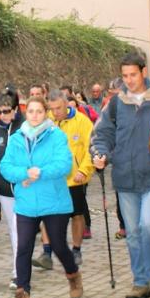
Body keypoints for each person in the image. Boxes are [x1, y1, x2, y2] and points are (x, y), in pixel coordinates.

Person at [91, 52, 150, 298]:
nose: (129, 80)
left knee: (149, 226)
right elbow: (102, 134)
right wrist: (100, 153)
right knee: (133, 232)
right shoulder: (115, 104)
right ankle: (140, 281)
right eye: (125, 76)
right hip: (125, 176)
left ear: (143, 72)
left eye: (133, 74)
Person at [0, 96, 82, 298]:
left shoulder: (56, 136)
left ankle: (73, 275)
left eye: (39, 111)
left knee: (57, 245)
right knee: (24, 247)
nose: (35, 115)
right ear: (25, 113)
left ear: (45, 113)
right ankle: (23, 295)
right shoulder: (17, 138)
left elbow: (64, 164)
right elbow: (6, 166)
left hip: (53, 201)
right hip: (26, 201)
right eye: (31, 111)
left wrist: (39, 173)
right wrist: (24, 174)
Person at [50, 90, 93, 266]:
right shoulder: (47, 121)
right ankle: (50, 250)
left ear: (67, 104)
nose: (55, 112)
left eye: (58, 108)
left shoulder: (82, 122)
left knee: (77, 215)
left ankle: (76, 249)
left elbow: (91, 148)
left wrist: (83, 171)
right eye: (52, 109)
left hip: (74, 179)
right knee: (52, 216)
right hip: (52, 178)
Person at [0, 92, 24, 291]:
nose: (3, 115)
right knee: (14, 230)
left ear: (15, 110)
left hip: (23, 187)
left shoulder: (24, 128)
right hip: (4, 188)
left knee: (20, 230)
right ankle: (18, 270)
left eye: (7, 111)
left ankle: (19, 272)